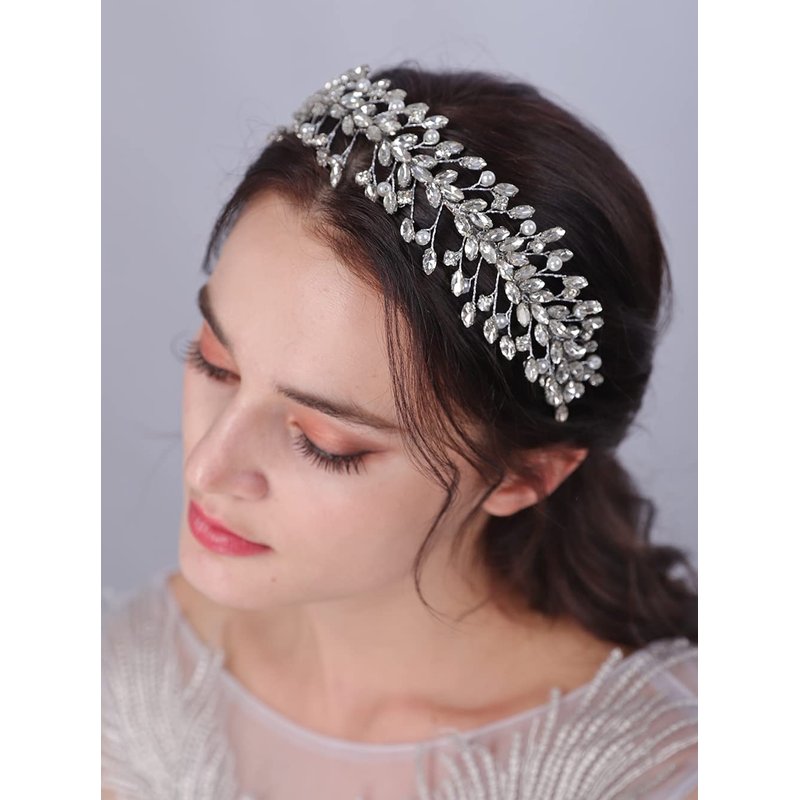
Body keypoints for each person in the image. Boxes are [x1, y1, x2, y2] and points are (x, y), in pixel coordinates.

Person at [101, 63, 698, 799]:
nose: (207, 468)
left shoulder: (668, 773)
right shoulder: (126, 681)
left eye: (325, 443)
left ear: (525, 475)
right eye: (215, 363)